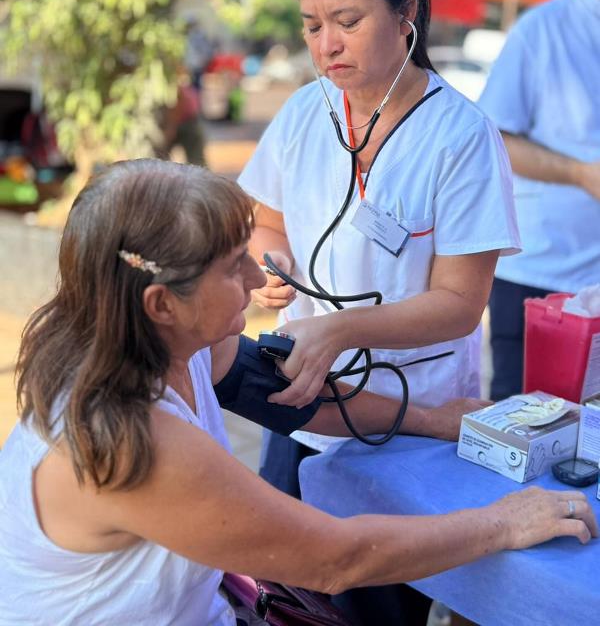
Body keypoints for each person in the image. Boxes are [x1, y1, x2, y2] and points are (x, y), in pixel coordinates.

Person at [0, 158, 595, 626]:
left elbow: (285, 388)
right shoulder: (134, 439)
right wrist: (502, 524)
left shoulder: (157, 343)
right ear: (162, 305)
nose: (260, 280)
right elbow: (337, 559)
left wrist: (436, 419)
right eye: (234, 266)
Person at [237, 0, 522, 624]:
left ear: (407, 14)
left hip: (415, 417)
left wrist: (338, 331)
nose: (326, 45)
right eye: (310, 26)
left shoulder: (462, 138)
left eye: (347, 20)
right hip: (303, 404)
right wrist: (268, 263)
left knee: (376, 603)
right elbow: (265, 219)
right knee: (288, 596)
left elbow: (459, 303)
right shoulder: (305, 113)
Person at [477, 0, 600, 401]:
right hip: (538, 281)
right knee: (522, 433)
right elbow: (495, 140)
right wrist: (580, 173)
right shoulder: (543, 31)